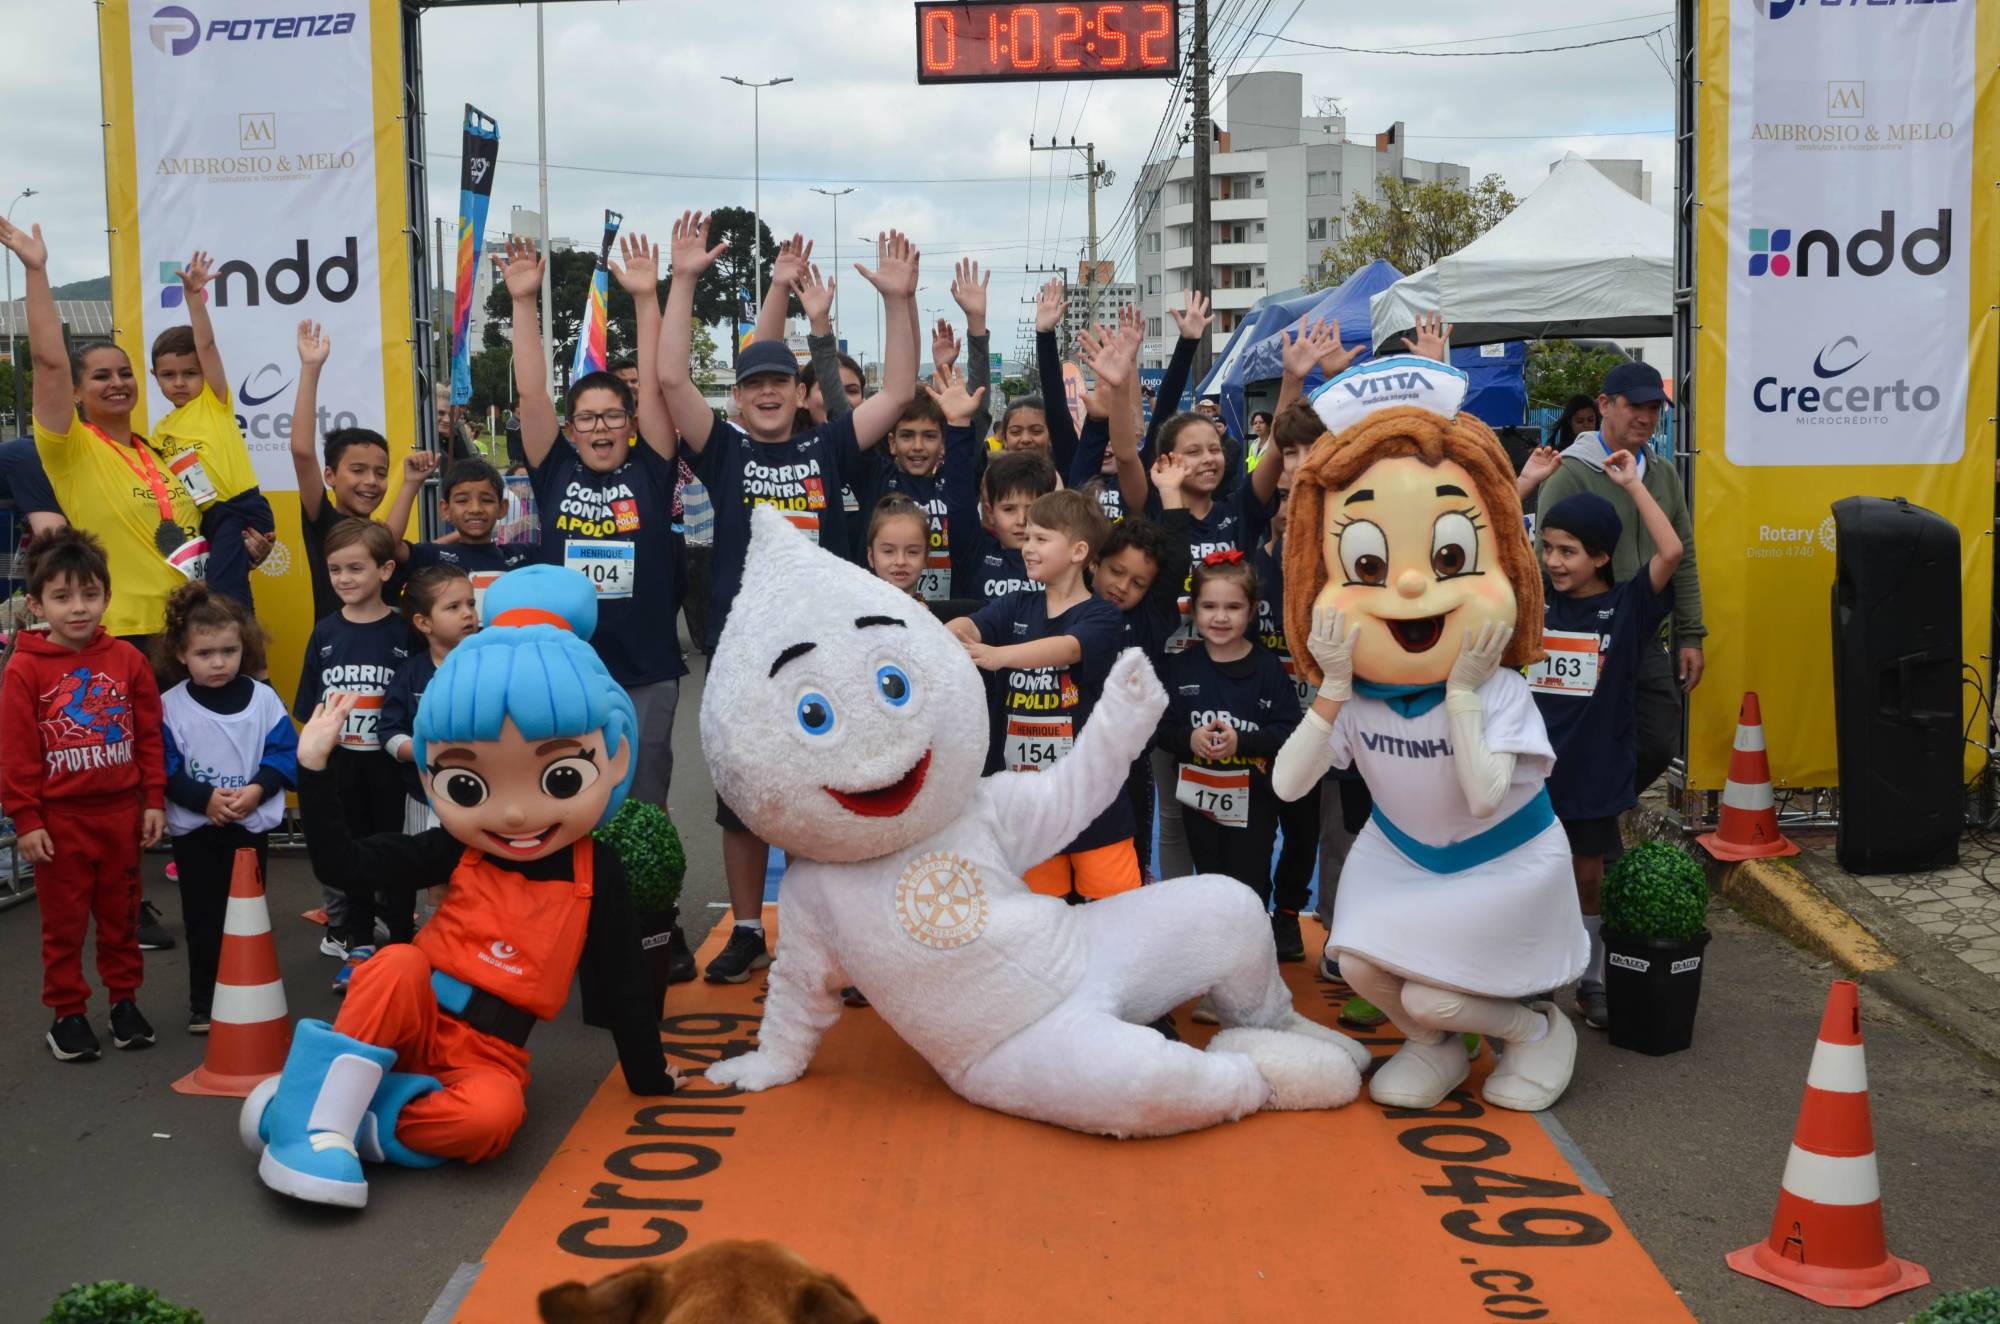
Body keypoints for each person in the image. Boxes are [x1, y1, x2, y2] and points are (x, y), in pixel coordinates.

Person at [247, 566, 683, 1209]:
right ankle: (309, 1126)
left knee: (492, 1121)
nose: (512, 815)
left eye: (560, 777)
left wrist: (649, 1077)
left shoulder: (599, 871)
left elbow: (622, 982)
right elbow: (347, 866)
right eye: (470, 784)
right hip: (412, 1012)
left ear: (613, 759)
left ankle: (327, 1111)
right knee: (394, 963)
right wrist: (313, 770)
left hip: (490, 1051)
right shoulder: (458, 846)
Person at [1271, 356, 1583, 1114]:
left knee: (1439, 993)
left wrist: (1465, 696)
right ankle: (1434, 1049)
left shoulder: (1500, 691)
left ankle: (1535, 1030)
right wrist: (1334, 691)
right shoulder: (1364, 697)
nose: (1411, 587)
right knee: (1365, 969)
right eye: (1369, 565)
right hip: (1403, 852)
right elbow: (1287, 784)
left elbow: (1482, 799)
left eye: (1449, 557)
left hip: (1502, 860)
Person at [657, 213, 919, 982]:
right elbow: (673, 379)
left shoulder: (826, 444)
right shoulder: (723, 449)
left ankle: (843, 936)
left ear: (799, 392)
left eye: (779, 382)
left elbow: (900, 390)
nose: (767, 393)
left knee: (837, 789)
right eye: (752, 384)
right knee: (743, 796)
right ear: (735, 399)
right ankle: (746, 928)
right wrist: (683, 281)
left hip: (830, 650)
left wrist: (898, 302)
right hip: (749, 655)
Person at [508, 233, 687, 822]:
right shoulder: (554, 466)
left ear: (630, 424)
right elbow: (532, 392)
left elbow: (661, 386)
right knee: (571, 801)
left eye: (613, 415)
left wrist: (644, 298)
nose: (601, 426)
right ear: (572, 428)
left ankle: (652, 914)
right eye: (587, 418)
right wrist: (523, 303)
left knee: (642, 804)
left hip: (647, 671)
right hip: (568, 667)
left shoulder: (652, 468)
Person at [1, 528, 165, 1061]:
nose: (78, 608)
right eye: (63, 596)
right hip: (58, 823)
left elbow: (149, 737)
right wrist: (26, 820)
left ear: (107, 597)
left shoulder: (128, 661)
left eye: (89, 595)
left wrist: (154, 801)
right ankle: (67, 1013)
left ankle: (124, 1003)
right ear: (36, 603)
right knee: (64, 926)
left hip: (120, 816)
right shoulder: (24, 669)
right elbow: (16, 752)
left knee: (120, 918)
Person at [1, 217, 203, 648]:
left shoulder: (160, 452)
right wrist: (36, 272)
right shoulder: (71, 447)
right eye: (101, 376)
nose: (117, 383)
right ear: (75, 391)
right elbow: (50, 363)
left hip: (189, 632)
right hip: (122, 634)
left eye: (125, 373)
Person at [1531, 471, 1681, 1031]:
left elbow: (1671, 549)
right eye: (1548, 548)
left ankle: (1592, 980)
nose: (1554, 561)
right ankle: (1533, 978)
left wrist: (1634, 485)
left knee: (1587, 878)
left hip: (1593, 770)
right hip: (1531, 771)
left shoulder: (1628, 606)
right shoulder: (1534, 602)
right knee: (1531, 875)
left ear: (1600, 556)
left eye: (1568, 551)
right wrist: (1525, 482)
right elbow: (1496, 549)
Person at [951, 490, 1135, 900]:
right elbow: (972, 625)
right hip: (1027, 801)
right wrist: (942, 634)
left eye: (1040, 539)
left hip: (1093, 798)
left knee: (1117, 908)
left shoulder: (1102, 614)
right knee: (1040, 914)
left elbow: (1070, 648)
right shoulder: (1016, 604)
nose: (1027, 547)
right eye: (1027, 537)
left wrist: (1000, 656)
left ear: (1078, 550)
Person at [1533, 360, 1703, 799]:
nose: (1647, 418)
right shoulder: (1570, 472)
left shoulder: (1661, 473)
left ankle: (1602, 808)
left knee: (1659, 737)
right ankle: (1572, 823)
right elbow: (1540, 561)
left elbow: (1681, 554)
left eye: (1655, 408)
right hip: (1580, 635)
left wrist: (1691, 634)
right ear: (1606, 405)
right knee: (1575, 740)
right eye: (1636, 407)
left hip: (1641, 629)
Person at [155, 582, 297, 1034]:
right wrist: (205, 800)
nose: (218, 663)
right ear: (181, 653)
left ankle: (252, 992)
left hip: (249, 827)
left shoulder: (263, 699)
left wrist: (257, 790)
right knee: (202, 916)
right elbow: (164, 766)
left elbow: (284, 752)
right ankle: (204, 1002)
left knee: (248, 916)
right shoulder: (169, 707)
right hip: (196, 831)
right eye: (205, 653)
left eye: (229, 651)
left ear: (245, 647)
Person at [1158, 552, 1304, 955]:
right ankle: (1214, 967)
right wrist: (1189, 740)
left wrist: (1243, 742)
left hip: (1255, 804)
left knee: (1248, 884)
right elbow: (1161, 729)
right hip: (1198, 803)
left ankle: (1248, 966)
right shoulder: (1180, 667)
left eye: (1233, 607)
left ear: (1252, 611)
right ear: (1192, 610)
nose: (1220, 617)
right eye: (1209, 606)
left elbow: (1290, 730)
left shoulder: (1268, 669)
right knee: (1209, 882)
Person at [293, 519, 416, 984]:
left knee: (398, 852)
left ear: (385, 570)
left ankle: (404, 938)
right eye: (335, 569)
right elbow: (311, 707)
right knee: (357, 854)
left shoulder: (404, 632)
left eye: (355, 568)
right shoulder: (324, 634)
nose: (344, 579)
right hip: (345, 766)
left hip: (391, 768)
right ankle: (359, 942)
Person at [147, 250, 278, 613]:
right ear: (154, 377)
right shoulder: (160, 432)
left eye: (190, 373)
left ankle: (245, 653)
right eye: (168, 375)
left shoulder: (213, 400)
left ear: (204, 375)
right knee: (199, 593)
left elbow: (205, 345)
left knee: (225, 595)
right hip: (206, 518)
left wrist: (193, 298)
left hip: (240, 509)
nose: (179, 383)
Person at [289, 321, 428, 621]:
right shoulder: (323, 521)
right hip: (337, 657)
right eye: (357, 470)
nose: (370, 481)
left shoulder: (383, 538)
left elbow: (389, 541)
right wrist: (311, 369)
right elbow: (302, 452)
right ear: (330, 476)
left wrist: (410, 484)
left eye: (380, 473)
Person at [381, 564, 479, 836]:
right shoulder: (410, 674)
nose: (468, 613)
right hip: (424, 798)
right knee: (425, 872)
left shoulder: (491, 666)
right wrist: (421, 750)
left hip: (484, 796)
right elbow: (389, 732)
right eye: (453, 607)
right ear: (423, 623)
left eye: (471, 603)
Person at [407, 457, 538, 618]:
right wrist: (410, 483)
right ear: (445, 509)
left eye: (487, 500)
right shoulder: (434, 556)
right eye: (462, 500)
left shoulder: (524, 555)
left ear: (502, 508)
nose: (475, 509)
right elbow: (386, 547)